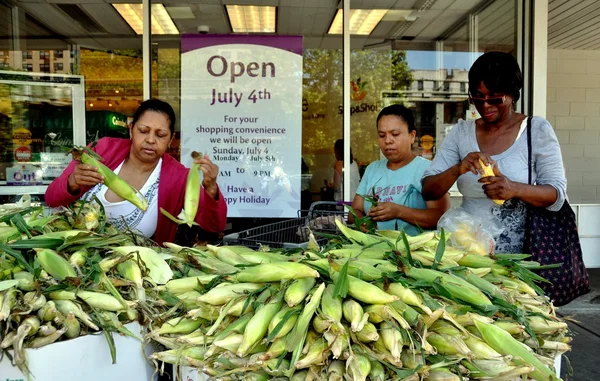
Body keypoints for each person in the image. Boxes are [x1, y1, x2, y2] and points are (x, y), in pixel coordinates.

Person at [421, 51, 567, 253]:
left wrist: (514, 189)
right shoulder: (462, 133)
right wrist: (458, 168)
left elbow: (556, 194)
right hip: (469, 257)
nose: (486, 105)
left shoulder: (536, 130)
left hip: (524, 257)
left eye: (495, 98)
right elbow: (429, 190)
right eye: (478, 98)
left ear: (513, 94)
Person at [45, 99, 227, 246]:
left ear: (171, 139)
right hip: (74, 254)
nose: (150, 140)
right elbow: (51, 198)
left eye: (160, 135)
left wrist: (211, 188)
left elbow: (213, 227)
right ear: (131, 130)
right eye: (143, 131)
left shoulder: (178, 177)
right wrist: (72, 182)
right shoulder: (102, 150)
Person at [350, 104, 450, 235]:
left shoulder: (428, 170)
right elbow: (354, 210)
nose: (388, 141)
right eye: (382, 135)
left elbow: (441, 217)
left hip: (414, 251)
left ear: (412, 136)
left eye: (395, 134)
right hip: (374, 249)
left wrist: (399, 212)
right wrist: (362, 221)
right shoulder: (372, 169)